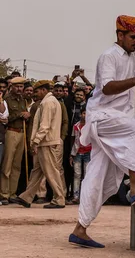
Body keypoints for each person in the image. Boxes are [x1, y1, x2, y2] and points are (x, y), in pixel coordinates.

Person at [69, 0, 135, 249]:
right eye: (132, 38)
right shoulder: (109, 56)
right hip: (102, 119)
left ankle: (80, 228)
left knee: (100, 178)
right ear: (119, 34)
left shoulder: (131, 51)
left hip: (117, 124)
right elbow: (105, 88)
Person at [14, 81, 66, 209]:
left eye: (36, 91)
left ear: (43, 90)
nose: (34, 94)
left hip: (46, 141)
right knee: (37, 171)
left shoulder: (48, 103)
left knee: (51, 171)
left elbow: (45, 125)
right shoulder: (51, 101)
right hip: (46, 141)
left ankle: (59, 199)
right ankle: (26, 197)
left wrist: (36, 140)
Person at [0, 77, 29, 204]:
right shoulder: (6, 100)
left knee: (17, 165)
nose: (19, 89)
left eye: (21, 87)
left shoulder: (23, 100)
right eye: (17, 86)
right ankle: (4, 194)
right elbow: (5, 118)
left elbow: (25, 114)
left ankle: (12, 193)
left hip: (22, 133)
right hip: (11, 132)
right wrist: (19, 115)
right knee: (7, 164)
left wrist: (27, 115)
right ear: (12, 87)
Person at [70, 108, 91, 204]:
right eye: (83, 113)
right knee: (77, 174)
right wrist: (71, 154)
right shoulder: (76, 126)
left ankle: (85, 196)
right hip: (78, 152)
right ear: (80, 114)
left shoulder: (91, 126)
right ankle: (76, 196)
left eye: (87, 113)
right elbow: (73, 139)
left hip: (89, 152)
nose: (85, 115)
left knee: (87, 174)